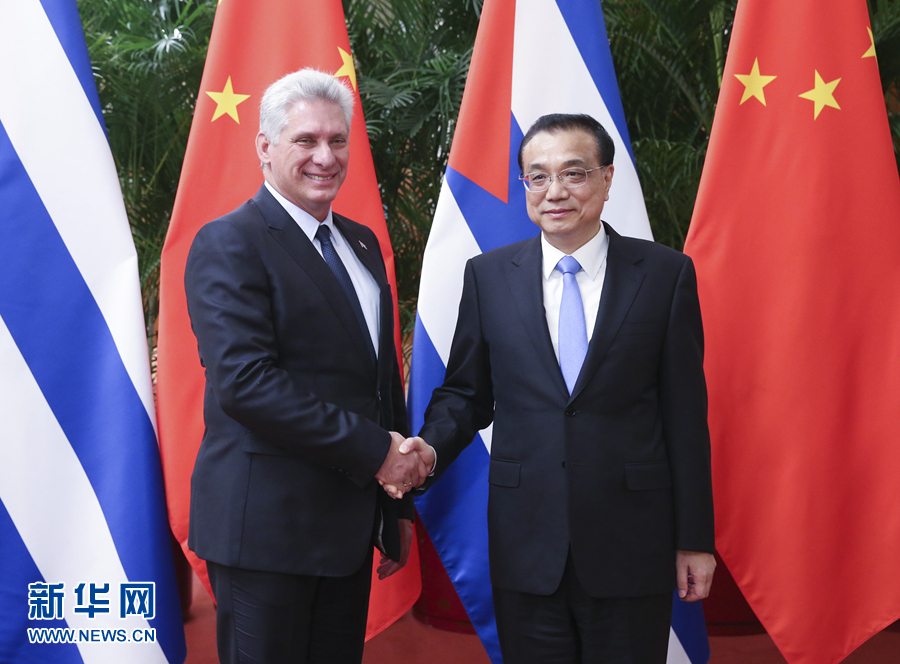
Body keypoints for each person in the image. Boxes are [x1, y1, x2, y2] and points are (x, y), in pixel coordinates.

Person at [396, 113, 715, 664]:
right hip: (526, 544)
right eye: (538, 176)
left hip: (631, 543)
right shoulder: (488, 276)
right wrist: (428, 447)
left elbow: (685, 417)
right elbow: (467, 394)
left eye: (573, 173)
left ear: (607, 179)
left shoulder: (665, 276)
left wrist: (695, 539)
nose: (555, 191)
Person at [183, 69, 429, 664]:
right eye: (306, 140)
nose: (326, 156)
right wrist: (377, 452)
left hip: (348, 528)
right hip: (266, 533)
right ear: (265, 147)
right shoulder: (229, 242)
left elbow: (379, 380)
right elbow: (246, 384)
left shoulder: (362, 244)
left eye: (337, 140)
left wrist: (394, 504)